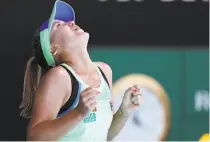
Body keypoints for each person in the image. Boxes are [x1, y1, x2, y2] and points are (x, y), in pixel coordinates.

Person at [19, 0, 142, 141]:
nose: (71, 23)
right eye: (59, 25)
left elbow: (104, 135)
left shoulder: (104, 70)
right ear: (53, 48)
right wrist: (78, 113)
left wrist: (124, 112)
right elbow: (34, 138)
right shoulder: (59, 77)